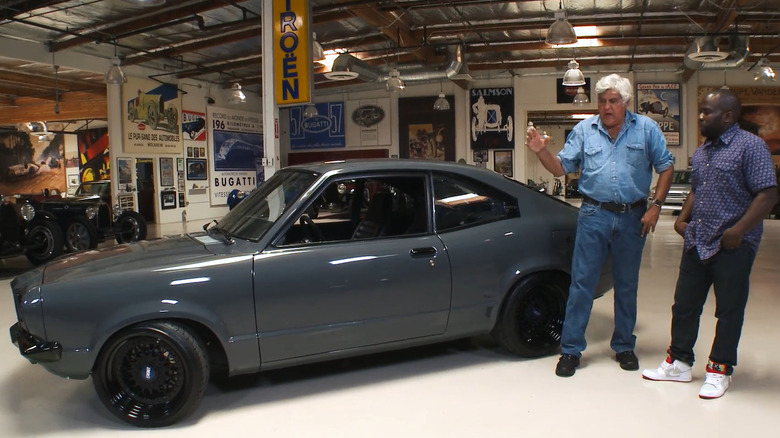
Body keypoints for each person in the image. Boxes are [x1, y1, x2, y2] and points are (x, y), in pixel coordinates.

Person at [526, 74, 674, 377]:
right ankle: (570, 350)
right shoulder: (584, 130)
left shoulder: (647, 129)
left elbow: (666, 165)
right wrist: (542, 151)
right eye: (603, 101)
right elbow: (560, 168)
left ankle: (623, 346)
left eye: (613, 101)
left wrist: (656, 206)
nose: (607, 107)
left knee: (626, 284)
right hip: (594, 215)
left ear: (626, 103)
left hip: (633, 217)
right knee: (582, 283)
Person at [641, 88, 778, 398]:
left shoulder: (751, 147)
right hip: (698, 240)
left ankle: (719, 370)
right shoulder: (703, 151)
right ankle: (679, 362)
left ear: (728, 116)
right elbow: (696, 190)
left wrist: (739, 230)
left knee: (728, 310)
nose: (701, 116)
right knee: (685, 305)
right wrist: (680, 220)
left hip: (733, 245)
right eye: (701, 111)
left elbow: (768, 194)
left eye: (707, 112)